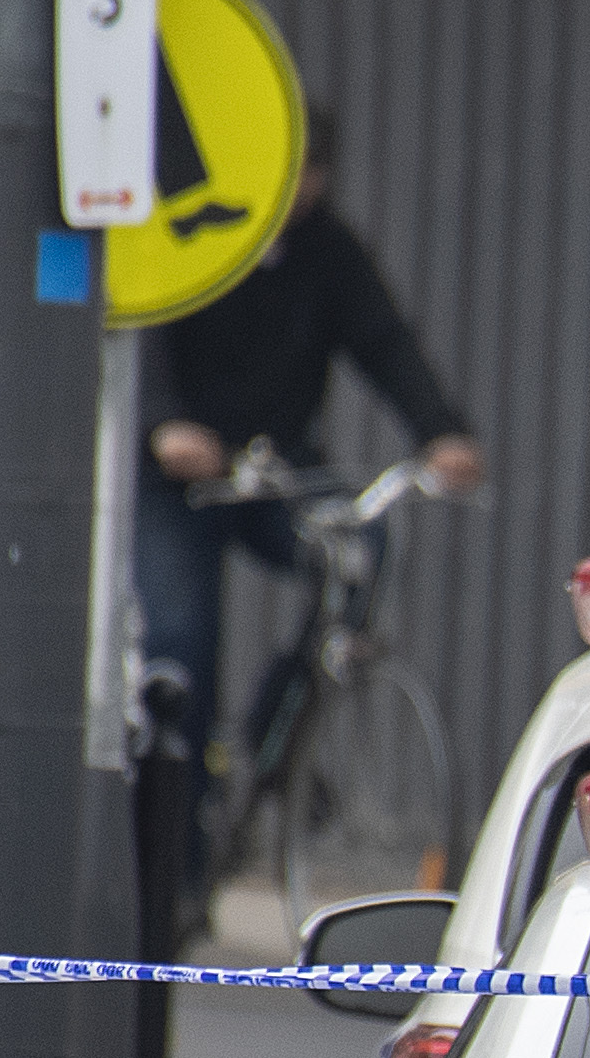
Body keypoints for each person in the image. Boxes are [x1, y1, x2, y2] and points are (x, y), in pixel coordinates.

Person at [131, 118, 485, 938]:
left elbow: (384, 343)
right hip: (181, 480)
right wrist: (165, 426)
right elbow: (142, 333)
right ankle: (177, 875)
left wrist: (442, 431)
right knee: (183, 645)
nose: (301, 192)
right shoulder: (197, 232)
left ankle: (278, 725)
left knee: (361, 545)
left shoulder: (329, 251)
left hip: (275, 469)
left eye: (314, 174)